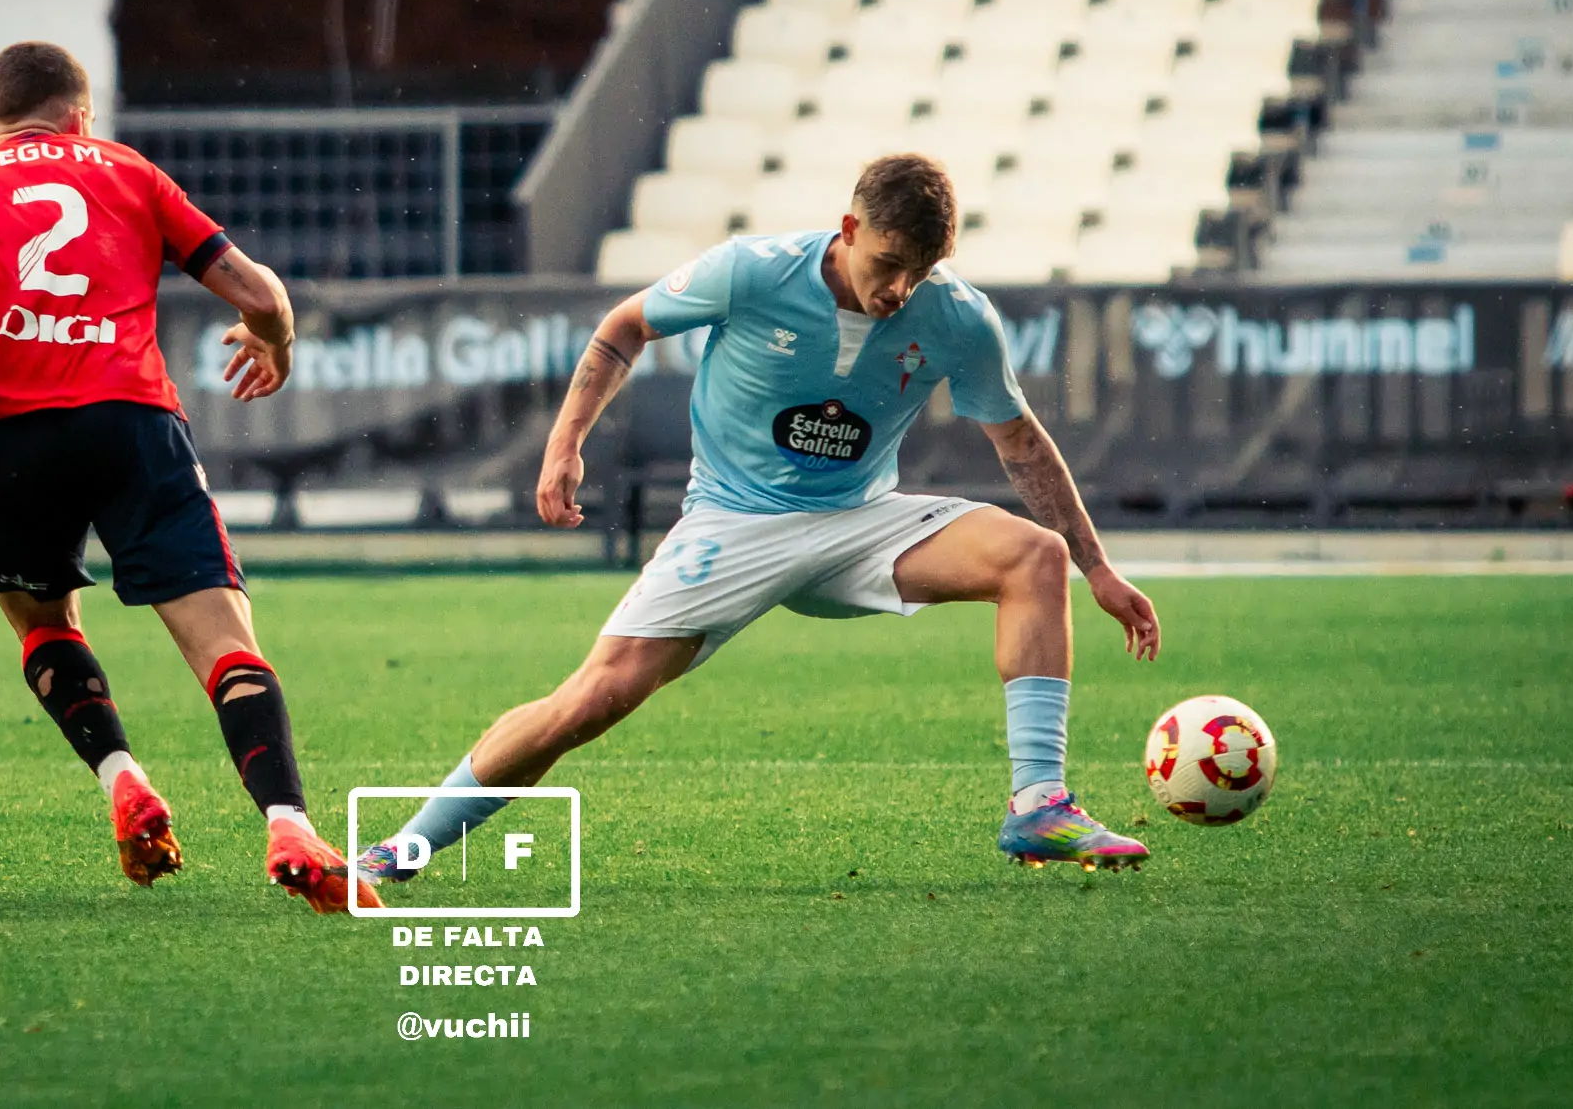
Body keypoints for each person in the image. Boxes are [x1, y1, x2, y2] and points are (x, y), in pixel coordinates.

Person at [360, 153, 1162, 884]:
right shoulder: (751, 272)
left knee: (1035, 556)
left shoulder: (957, 318)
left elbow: (1019, 441)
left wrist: (1098, 569)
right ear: (849, 230)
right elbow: (623, 327)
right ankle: (403, 847)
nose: (898, 292)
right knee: (590, 700)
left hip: (859, 520)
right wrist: (564, 445)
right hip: (734, 521)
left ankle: (1038, 805)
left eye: (920, 273)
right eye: (887, 264)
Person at [0, 40, 377, 913]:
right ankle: (290, 823)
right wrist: (278, 343)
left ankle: (120, 773)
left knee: (41, 622)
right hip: (129, 420)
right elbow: (257, 292)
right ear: (80, 115)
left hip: (7, 438)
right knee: (226, 644)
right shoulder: (125, 169)